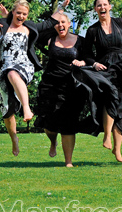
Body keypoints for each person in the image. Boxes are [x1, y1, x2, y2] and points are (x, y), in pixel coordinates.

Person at [0, 0, 71, 156]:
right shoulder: (1, 26)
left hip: (23, 65)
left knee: (14, 74)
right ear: (12, 12)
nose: (21, 16)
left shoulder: (30, 28)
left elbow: (50, 22)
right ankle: (14, 139)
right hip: (3, 68)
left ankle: (27, 109)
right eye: (18, 12)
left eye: (24, 14)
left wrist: (62, 7)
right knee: (7, 112)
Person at [84, 0, 122, 163]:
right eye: (99, 5)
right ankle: (107, 136)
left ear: (110, 7)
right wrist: (94, 64)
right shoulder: (92, 30)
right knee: (111, 99)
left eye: (105, 5)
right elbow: (86, 53)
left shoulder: (120, 23)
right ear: (95, 9)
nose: (102, 7)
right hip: (105, 69)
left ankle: (117, 148)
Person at [34, 11, 91, 167]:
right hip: (50, 85)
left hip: (72, 87)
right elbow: (34, 32)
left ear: (69, 24)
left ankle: (68, 162)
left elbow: (89, 58)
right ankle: (53, 141)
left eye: (63, 22)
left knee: (68, 124)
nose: (60, 25)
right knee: (47, 123)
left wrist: (82, 62)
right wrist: (58, 10)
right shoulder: (50, 39)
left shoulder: (81, 41)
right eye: (57, 23)